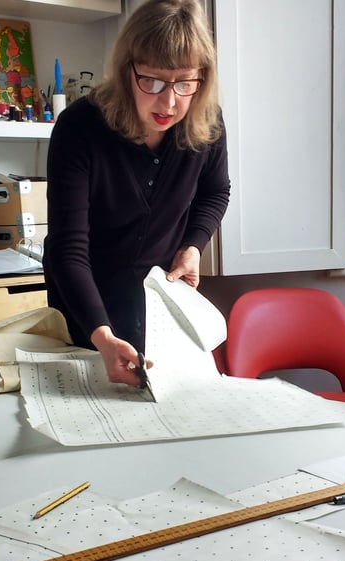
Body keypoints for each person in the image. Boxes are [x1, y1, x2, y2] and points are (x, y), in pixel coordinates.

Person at [42, 0, 230, 387]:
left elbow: (215, 191)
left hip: (161, 310)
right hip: (86, 311)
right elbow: (68, 248)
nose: (169, 102)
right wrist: (103, 337)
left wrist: (193, 246)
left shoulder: (207, 123)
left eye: (185, 83)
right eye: (153, 81)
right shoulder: (79, 127)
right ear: (127, 69)